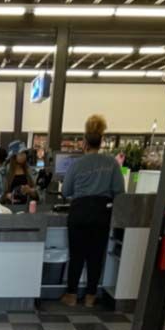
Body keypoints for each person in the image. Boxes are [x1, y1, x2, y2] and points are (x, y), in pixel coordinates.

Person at [60, 114, 124, 308]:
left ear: (85, 141)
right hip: (101, 213)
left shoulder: (76, 164)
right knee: (96, 256)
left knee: (77, 254)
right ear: (101, 140)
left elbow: (66, 191)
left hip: (79, 213)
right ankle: (90, 296)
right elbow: (120, 191)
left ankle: (71, 294)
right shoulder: (112, 163)